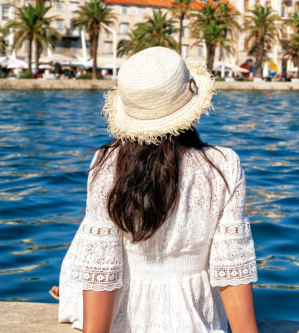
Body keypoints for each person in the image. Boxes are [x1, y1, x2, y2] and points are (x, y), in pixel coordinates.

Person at [52, 47, 258, 332]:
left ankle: (71, 288)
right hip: (196, 318)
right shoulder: (224, 165)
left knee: (93, 237)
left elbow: (103, 269)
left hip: (123, 317)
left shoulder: (106, 162)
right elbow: (231, 269)